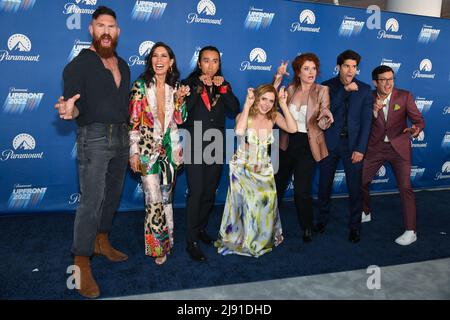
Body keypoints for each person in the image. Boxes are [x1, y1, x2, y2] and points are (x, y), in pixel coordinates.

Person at [54, 6, 129, 299]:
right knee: (91, 200)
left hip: (121, 136)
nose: (106, 32)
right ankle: (81, 260)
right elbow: (73, 103)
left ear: (117, 32)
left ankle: (102, 240)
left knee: (112, 195)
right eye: (101, 26)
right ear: (91, 29)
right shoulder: (77, 65)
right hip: (94, 137)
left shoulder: (123, 65)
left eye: (111, 26)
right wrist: (70, 109)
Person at [215, 84, 297, 257]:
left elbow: (293, 128)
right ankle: (246, 238)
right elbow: (238, 130)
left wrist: (283, 105)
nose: (266, 104)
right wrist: (246, 106)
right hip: (243, 167)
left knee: (268, 198)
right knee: (252, 200)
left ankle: (262, 237)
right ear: (256, 98)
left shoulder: (273, 117)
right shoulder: (245, 116)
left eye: (271, 101)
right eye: (263, 99)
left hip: (263, 166)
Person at [128, 42, 190, 265]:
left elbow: (181, 119)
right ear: (150, 61)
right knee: (153, 200)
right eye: (155, 55)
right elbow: (133, 123)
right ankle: (157, 248)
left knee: (166, 199)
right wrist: (133, 153)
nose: (159, 59)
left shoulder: (175, 88)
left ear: (171, 62)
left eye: (164, 56)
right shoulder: (140, 86)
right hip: (147, 152)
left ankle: (168, 239)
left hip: (170, 152)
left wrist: (181, 100)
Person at [182, 46, 240, 262]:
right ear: (199, 64)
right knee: (196, 193)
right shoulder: (189, 84)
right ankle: (191, 241)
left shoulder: (223, 84)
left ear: (219, 64)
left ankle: (200, 229)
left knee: (209, 193)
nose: (210, 65)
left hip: (216, 145)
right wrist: (198, 89)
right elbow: (184, 115)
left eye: (215, 61)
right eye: (206, 61)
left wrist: (223, 89)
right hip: (195, 143)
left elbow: (235, 108)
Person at [272, 54, 334, 243]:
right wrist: (278, 77)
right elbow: (270, 103)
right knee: (277, 187)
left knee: (302, 191)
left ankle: (307, 226)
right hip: (286, 142)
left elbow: (324, 111)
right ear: (298, 72)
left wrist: (326, 117)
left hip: (308, 145)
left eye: (314, 68)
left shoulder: (322, 90)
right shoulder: (289, 89)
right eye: (306, 69)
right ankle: (268, 224)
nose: (311, 72)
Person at [361, 65, 424, 246]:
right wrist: (374, 111)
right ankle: (365, 211)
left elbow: (419, 120)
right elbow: (362, 122)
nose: (388, 83)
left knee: (405, 187)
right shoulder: (368, 97)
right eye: (384, 80)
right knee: (361, 181)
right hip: (376, 147)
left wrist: (415, 129)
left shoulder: (404, 96)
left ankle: (411, 231)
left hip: (399, 148)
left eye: (391, 79)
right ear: (375, 82)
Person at [314, 49, 373, 243]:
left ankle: (355, 226)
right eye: (346, 66)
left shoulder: (364, 90)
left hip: (353, 145)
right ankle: (322, 220)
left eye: (354, 67)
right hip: (330, 142)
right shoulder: (326, 87)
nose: (350, 70)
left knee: (355, 189)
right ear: (338, 67)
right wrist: (343, 91)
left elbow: (366, 122)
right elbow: (325, 111)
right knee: (324, 185)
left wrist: (361, 149)